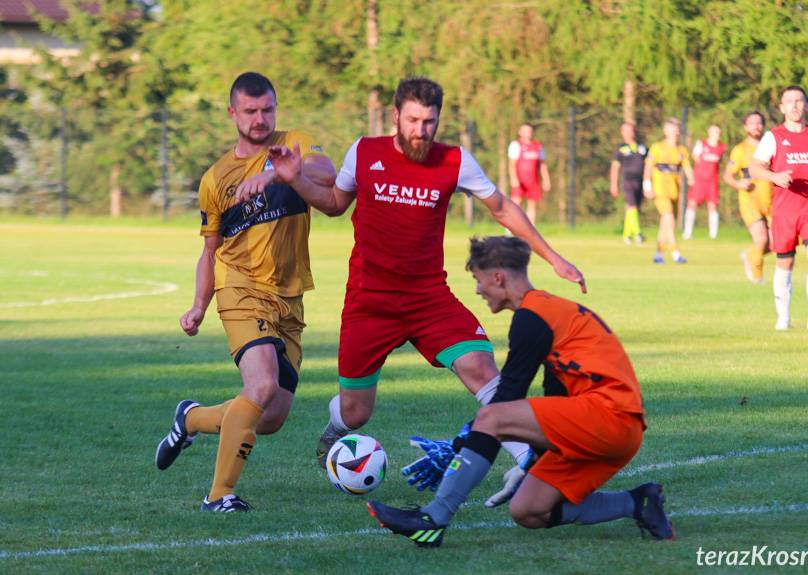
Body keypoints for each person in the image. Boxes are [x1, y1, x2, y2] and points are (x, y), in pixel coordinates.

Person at [252, 77, 586, 508]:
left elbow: (501, 207)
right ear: (395, 116)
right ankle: (334, 432)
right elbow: (335, 203)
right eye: (412, 120)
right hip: (369, 303)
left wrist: (553, 257)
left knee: (482, 370)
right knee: (356, 413)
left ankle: (527, 464)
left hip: (430, 298)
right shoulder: (365, 152)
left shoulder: (455, 160)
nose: (420, 130)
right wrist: (296, 179)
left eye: (429, 122)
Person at [366, 236, 673, 547]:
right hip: (614, 427)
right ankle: (638, 502)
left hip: (610, 418)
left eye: (478, 278)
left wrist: (461, 443)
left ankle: (432, 519)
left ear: (497, 277)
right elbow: (556, 399)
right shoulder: (548, 313)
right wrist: (533, 462)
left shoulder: (533, 316)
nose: (477, 289)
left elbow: (507, 397)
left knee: (492, 416)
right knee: (528, 510)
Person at [153, 72, 336, 512]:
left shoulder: (293, 143)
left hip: (289, 299)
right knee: (262, 385)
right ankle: (220, 495)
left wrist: (276, 173)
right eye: (250, 111)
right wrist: (199, 305)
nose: (260, 119)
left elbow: (326, 172)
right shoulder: (216, 178)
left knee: (270, 417)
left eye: (267, 109)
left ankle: (190, 418)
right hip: (240, 288)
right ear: (232, 113)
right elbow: (209, 251)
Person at [749, 85, 808, 332]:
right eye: (789, 101)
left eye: (799, 100)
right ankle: (783, 317)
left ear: (806, 105)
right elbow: (754, 167)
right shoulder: (773, 136)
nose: (794, 105)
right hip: (784, 211)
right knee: (785, 263)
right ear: (781, 107)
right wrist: (774, 176)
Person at [724, 111, 774, 284]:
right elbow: (728, 176)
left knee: (776, 244)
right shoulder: (740, 150)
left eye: (759, 123)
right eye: (752, 123)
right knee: (761, 238)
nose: (756, 126)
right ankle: (757, 278)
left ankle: (749, 255)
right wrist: (738, 184)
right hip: (749, 202)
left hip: (770, 202)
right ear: (745, 127)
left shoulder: (770, 148)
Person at [643, 118, 694, 264]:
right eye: (672, 129)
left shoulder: (681, 150)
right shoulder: (657, 147)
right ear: (665, 131)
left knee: (665, 223)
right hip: (660, 191)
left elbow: (687, 167)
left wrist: (691, 179)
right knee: (669, 219)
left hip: (674, 192)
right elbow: (648, 167)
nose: (675, 132)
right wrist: (647, 186)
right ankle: (676, 253)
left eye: (677, 129)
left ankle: (658, 254)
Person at [683, 124, 726, 240]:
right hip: (699, 180)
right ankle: (687, 232)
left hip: (712, 181)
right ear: (709, 132)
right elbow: (695, 157)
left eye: (718, 132)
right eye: (715, 132)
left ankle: (713, 235)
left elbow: (720, 162)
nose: (717, 134)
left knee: (712, 205)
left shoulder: (721, 147)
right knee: (692, 203)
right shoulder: (701, 144)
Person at [609, 122, 647, 245]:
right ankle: (638, 233)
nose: (629, 133)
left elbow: (649, 164)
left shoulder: (642, 147)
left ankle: (627, 235)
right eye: (626, 131)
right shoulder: (621, 148)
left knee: (634, 209)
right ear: (622, 132)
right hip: (628, 181)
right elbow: (615, 167)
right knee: (632, 206)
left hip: (640, 181)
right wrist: (613, 184)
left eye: (630, 130)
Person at [508, 123, 551, 225]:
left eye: (529, 130)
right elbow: (511, 164)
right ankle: (511, 228)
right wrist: (513, 178)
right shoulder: (516, 145)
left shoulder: (538, 146)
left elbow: (542, 165)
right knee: (515, 203)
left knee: (532, 204)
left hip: (533, 180)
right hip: (520, 179)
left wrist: (546, 180)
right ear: (520, 132)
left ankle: (531, 229)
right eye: (525, 130)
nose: (528, 133)